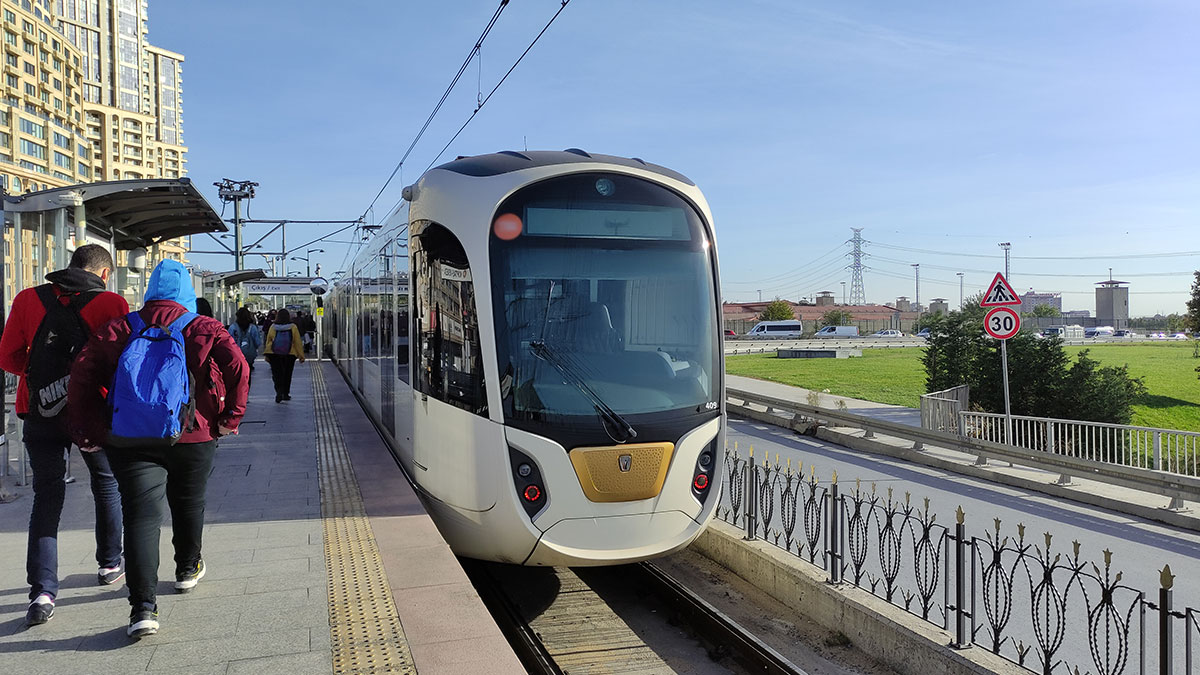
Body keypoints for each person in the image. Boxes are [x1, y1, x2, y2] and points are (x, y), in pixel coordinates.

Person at [68, 260, 249, 638]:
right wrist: (229, 418)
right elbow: (239, 369)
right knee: (188, 503)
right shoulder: (204, 326)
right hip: (193, 435)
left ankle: (143, 609)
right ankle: (186, 568)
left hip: (130, 438)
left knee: (140, 517)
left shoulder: (120, 327)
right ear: (185, 291)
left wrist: (95, 428)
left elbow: (82, 375)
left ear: (150, 290)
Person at [0, 244, 129, 627]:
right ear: (103, 274)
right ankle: (109, 563)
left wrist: (45, 380)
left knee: (47, 495)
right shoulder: (110, 303)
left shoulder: (27, 298)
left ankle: (42, 591)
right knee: (106, 485)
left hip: (39, 410)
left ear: (71, 266)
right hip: (92, 411)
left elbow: (7, 357)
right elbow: (120, 362)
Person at [264, 308, 305, 403]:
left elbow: (269, 340)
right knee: (287, 374)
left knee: (277, 374)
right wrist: (301, 356)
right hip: (290, 354)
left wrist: (266, 354)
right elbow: (297, 342)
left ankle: (278, 391)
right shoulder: (293, 327)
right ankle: (285, 394)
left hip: (274, 353)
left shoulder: (273, 326)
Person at [229, 307, 263, 385]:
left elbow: (229, 341)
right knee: (248, 374)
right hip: (249, 355)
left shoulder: (233, 327)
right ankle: (246, 389)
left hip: (236, 355)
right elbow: (257, 342)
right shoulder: (253, 328)